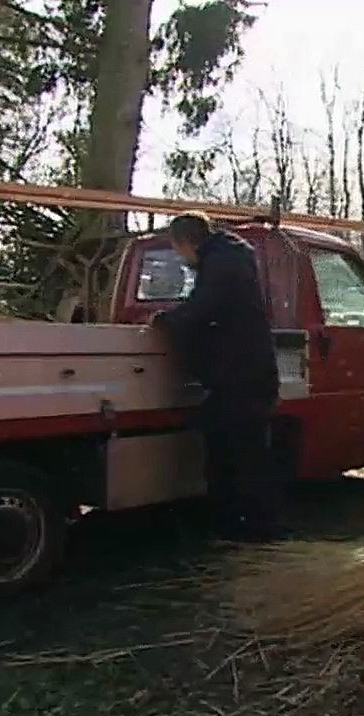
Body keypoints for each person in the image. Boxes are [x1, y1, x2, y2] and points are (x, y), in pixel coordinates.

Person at [151, 211, 282, 542]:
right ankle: (244, 524)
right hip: (246, 371)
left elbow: (206, 306)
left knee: (237, 454)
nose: (182, 260)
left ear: (185, 242)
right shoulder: (230, 256)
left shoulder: (223, 263)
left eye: (179, 251)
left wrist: (169, 321)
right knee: (240, 451)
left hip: (241, 375)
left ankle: (249, 529)